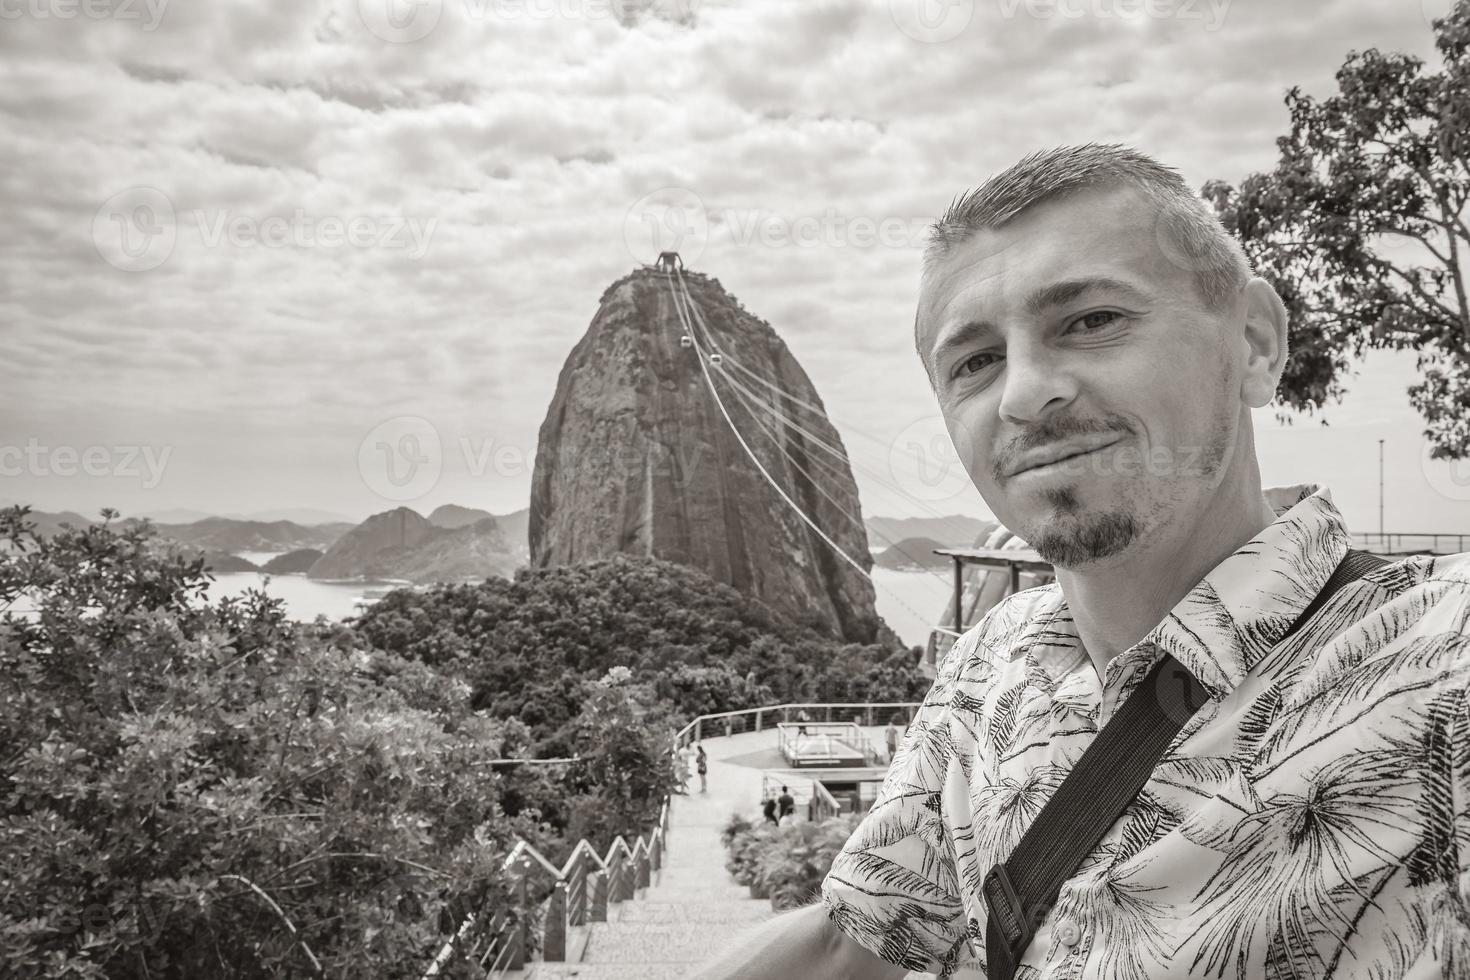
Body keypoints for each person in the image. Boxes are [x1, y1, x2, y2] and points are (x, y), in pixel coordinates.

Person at [685, 144, 1470, 980]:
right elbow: (856, 940)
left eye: (1092, 320)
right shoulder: (994, 659)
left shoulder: (1433, 672)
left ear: (1255, 343)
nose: (1025, 394)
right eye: (976, 362)